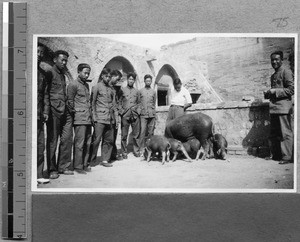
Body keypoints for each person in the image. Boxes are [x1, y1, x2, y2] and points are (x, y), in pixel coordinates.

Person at [46, 50, 74, 179]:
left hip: (65, 111)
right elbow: (46, 93)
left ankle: (63, 166)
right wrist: (47, 110)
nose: (64, 63)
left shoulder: (63, 75)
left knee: (67, 139)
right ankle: (52, 169)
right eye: (62, 60)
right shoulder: (50, 73)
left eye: (66, 61)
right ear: (55, 60)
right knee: (53, 141)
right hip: (53, 111)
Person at [264, 50, 294, 164]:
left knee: (285, 133)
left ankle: (287, 157)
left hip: (283, 108)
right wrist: (268, 93)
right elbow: (275, 92)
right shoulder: (273, 75)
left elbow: (291, 90)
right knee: (274, 133)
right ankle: (275, 155)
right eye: (272, 60)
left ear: (282, 60)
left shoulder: (286, 71)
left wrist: (275, 91)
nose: (274, 62)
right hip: (274, 108)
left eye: (277, 59)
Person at [67, 63, 93, 174]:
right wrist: (76, 114)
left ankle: (84, 164)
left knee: (87, 143)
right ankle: (78, 166)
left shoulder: (86, 86)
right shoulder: (73, 84)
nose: (87, 75)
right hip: (79, 119)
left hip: (88, 119)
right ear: (78, 72)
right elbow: (70, 101)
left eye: (88, 73)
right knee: (79, 144)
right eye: (85, 72)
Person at [90, 68, 117, 167]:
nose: (108, 78)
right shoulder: (96, 87)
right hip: (99, 118)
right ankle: (91, 160)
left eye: (110, 77)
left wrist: (115, 119)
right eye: (106, 76)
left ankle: (105, 159)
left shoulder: (111, 89)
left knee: (108, 140)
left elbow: (114, 105)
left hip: (109, 119)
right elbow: (92, 103)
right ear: (102, 76)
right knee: (96, 140)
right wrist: (94, 117)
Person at [118, 72, 141, 158]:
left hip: (135, 115)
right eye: (130, 79)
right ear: (127, 80)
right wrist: (121, 112)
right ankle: (124, 152)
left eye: (132, 79)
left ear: (134, 81)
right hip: (125, 115)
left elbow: (139, 103)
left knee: (136, 135)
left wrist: (138, 111)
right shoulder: (122, 90)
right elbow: (119, 101)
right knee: (124, 135)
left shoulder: (137, 91)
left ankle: (136, 151)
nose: (131, 81)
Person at [37, 43, 50, 184]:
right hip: (23, 115)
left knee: (40, 145)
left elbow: (45, 94)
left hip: (39, 115)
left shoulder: (43, 74)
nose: (39, 55)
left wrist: (46, 111)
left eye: (41, 53)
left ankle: (39, 174)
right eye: (37, 52)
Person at [138, 74, 157, 153]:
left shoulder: (153, 92)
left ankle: (150, 148)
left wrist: (154, 112)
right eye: (147, 81)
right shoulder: (141, 91)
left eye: (149, 81)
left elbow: (154, 102)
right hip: (143, 115)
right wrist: (140, 111)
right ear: (144, 81)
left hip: (151, 114)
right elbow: (138, 102)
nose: (148, 82)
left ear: (151, 82)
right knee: (142, 132)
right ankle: (141, 149)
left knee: (151, 132)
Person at [109, 70, 123, 161]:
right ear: (113, 76)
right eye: (117, 79)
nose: (117, 81)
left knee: (113, 136)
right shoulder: (107, 87)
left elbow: (117, 102)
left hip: (115, 115)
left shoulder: (115, 89)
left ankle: (113, 155)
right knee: (109, 137)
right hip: (107, 115)